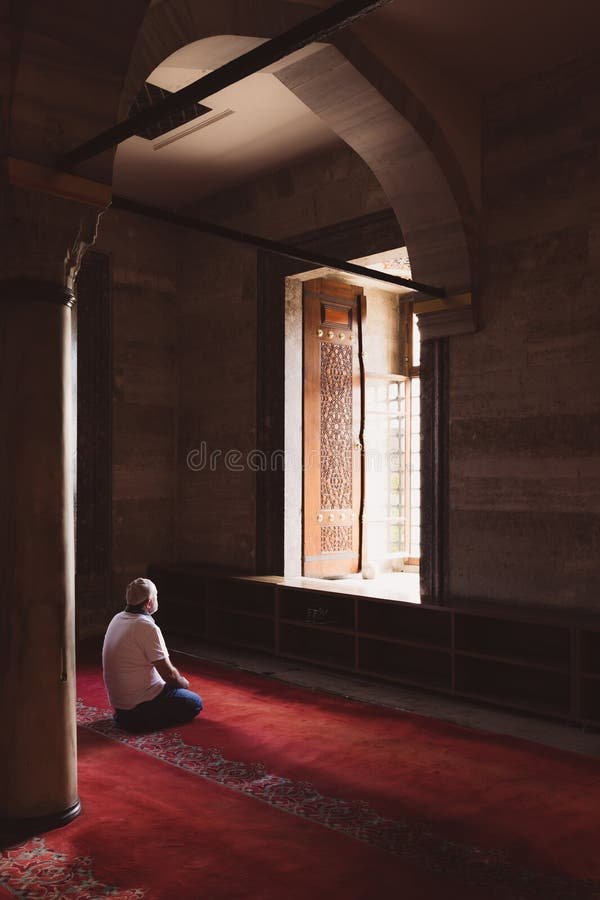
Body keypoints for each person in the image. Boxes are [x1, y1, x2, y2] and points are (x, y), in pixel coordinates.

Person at [102, 577, 202, 732]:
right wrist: (184, 684)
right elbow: (169, 674)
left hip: (120, 706)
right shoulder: (146, 627)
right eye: (156, 597)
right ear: (149, 603)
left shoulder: (117, 618)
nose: (157, 600)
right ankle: (138, 723)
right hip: (138, 709)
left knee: (177, 693)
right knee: (194, 703)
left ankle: (129, 719)